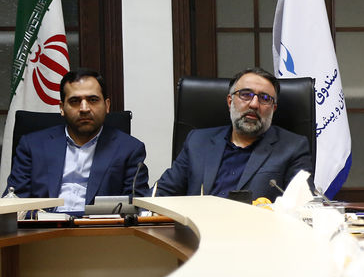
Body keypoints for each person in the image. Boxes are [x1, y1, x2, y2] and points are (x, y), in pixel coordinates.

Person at [6, 68, 149, 214]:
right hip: (44, 225)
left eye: (93, 100)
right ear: (62, 108)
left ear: (107, 106)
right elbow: (14, 201)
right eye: (75, 101)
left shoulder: (130, 149)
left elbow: (136, 205)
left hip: (100, 226)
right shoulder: (32, 145)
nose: (84, 108)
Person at [156, 68, 311, 201]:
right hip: (198, 224)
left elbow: (302, 204)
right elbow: (162, 194)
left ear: (273, 108)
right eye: (246, 94)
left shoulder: (293, 147)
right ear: (230, 102)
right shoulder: (197, 141)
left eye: (265, 98)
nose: (254, 104)